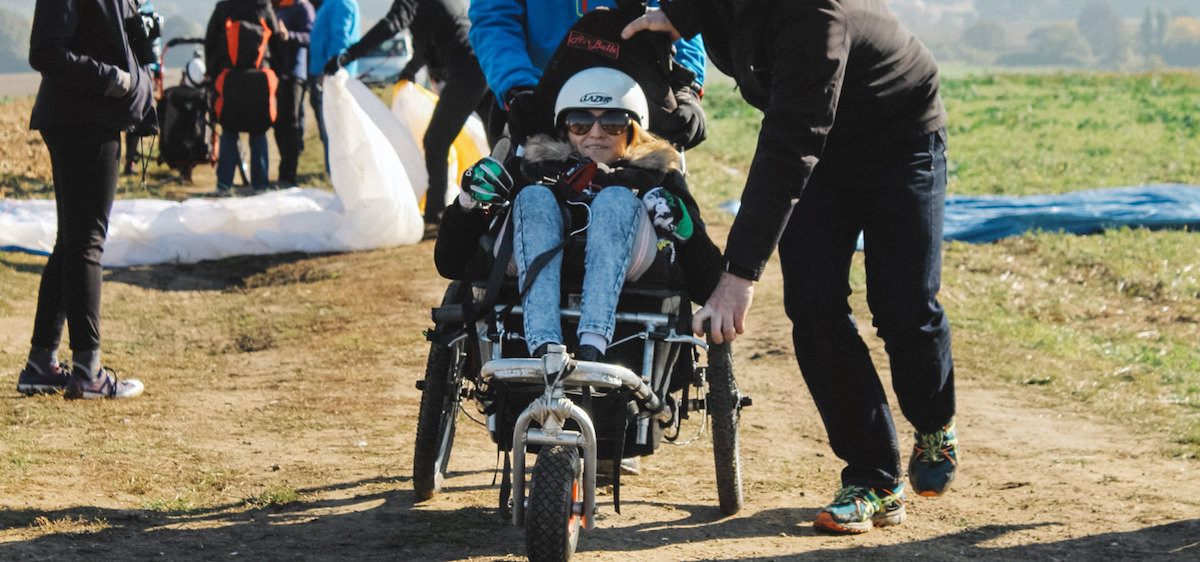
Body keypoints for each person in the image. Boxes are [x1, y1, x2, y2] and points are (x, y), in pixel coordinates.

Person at [622, 0, 957, 535]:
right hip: (818, 151)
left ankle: (935, 422)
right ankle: (874, 478)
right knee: (814, 305)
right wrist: (677, 16)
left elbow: (789, 142)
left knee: (903, 305)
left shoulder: (816, 14)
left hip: (899, 139)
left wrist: (738, 274)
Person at [435, 67, 721, 364]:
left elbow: (708, 285)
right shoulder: (532, 173)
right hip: (525, 270)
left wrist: (685, 231)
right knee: (533, 196)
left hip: (637, 272)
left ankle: (593, 346)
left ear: (634, 128)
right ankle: (544, 345)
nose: (596, 133)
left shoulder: (659, 177)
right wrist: (467, 203)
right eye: (581, 122)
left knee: (615, 200)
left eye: (612, 122)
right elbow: (451, 264)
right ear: (565, 128)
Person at [21, 0, 157, 399]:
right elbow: (44, 50)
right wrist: (111, 78)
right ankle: (88, 373)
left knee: (72, 242)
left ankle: (40, 364)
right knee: (86, 244)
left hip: (87, 116)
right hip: (83, 118)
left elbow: (109, 34)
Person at [323, 0, 490, 238]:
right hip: (482, 65)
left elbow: (392, 24)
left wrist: (348, 55)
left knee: (435, 142)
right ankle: (502, 202)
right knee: (497, 138)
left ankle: (436, 215)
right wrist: (410, 70)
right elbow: (430, 37)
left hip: (468, 72)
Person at [467, 0, 707, 149]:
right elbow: (494, 19)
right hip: (540, 103)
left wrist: (687, 89)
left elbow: (679, 16)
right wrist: (517, 86)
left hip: (637, 109)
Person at [204, 0, 289, 195]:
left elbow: (211, 41)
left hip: (230, 78)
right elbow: (276, 43)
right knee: (259, 133)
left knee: (229, 131)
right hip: (260, 77)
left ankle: (224, 185)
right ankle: (260, 186)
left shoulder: (224, 7)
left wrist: (212, 72)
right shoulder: (264, 7)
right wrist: (276, 71)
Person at [308, 0, 359, 175]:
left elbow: (340, 39)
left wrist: (330, 71)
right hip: (323, 72)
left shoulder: (341, 2)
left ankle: (339, 173)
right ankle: (336, 171)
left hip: (330, 77)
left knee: (334, 127)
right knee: (329, 127)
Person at [272, 0, 315, 188]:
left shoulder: (303, 7)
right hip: (276, 73)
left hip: (295, 74)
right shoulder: (276, 7)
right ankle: (285, 169)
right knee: (278, 124)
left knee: (291, 123)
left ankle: (288, 175)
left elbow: (312, 36)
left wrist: (290, 35)